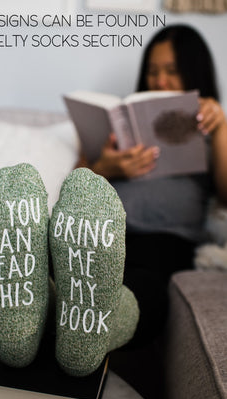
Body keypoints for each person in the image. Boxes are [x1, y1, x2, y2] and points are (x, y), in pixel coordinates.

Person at [78, 24, 227, 346]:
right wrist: (104, 168)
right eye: (153, 72)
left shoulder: (213, 128)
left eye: (172, 71)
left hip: (164, 242)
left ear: (194, 73)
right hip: (103, 230)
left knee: (146, 290)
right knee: (69, 252)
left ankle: (87, 322)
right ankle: (70, 311)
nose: (159, 81)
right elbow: (75, 184)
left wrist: (221, 128)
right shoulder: (119, 124)